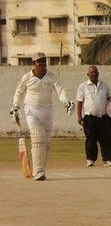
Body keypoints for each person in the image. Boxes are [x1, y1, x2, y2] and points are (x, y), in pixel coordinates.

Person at [11, 52, 73, 181]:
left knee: (45, 143)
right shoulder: (27, 77)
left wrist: (66, 102)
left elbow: (60, 90)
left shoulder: (51, 77)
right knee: (38, 137)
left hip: (47, 111)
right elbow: (19, 91)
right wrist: (16, 106)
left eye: (44, 61)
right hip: (31, 110)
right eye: (39, 61)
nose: (42, 64)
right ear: (34, 63)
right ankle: (39, 172)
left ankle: (39, 169)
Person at [76, 65, 111, 167]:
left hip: (104, 116)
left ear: (98, 74)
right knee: (91, 139)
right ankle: (90, 160)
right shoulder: (83, 86)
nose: (93, 74)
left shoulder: (104, 85)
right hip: (89, 117)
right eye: (91, 72)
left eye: (95, 72)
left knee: (106, 138)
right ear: (88, 74)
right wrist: (79, 117)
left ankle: (107, 160)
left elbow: (110, 98)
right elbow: (79, 102)